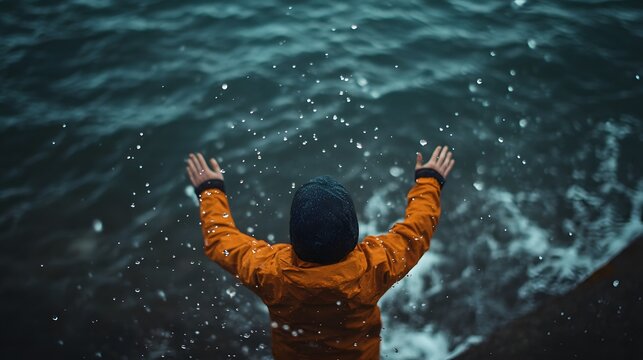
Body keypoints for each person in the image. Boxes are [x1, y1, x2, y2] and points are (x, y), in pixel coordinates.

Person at [185, 145, 455, 359]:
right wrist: (429, 181)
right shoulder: (374, 267)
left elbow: (219, 240)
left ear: (293, 235)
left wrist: (210, 191)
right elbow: (417, 231)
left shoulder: (268, 271)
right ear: (354, 234)